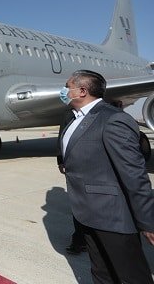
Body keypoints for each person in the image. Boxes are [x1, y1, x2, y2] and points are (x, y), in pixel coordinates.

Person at [58, 70, 153, 283]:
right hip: (88, 214)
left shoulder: (113, 119)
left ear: (82, 91)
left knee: (132, 277)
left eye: (68, 86)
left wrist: (148, 223)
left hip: (114, 218)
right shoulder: (73, 118)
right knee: (101, 274)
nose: (64, 91)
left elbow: (134, 175)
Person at [56, 108, 87, 255]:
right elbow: (62, 137)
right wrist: (60, 159)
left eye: (69, 88)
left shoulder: (104, 112)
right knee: (78, 204)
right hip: (74, 167)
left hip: (96, 168)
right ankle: (79, 240)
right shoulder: (69, 114)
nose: (66, 93)